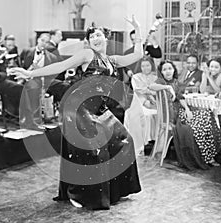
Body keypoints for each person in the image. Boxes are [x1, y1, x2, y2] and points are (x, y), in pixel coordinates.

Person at [9, 15, 142, 210]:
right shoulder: (87, 55)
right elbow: (60, 66)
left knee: (125, 141)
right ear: (88, 42)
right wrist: (30, 74)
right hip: (79, 107)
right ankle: (80, 195)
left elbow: (138, 54)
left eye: (98, 35)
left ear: (106, 37)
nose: (95, 39)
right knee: (96, 150)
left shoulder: (113, 60)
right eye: (91, 37)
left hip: (100, 109)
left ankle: (116, 191)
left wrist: (137, 29)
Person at [149, 60, 221, 169]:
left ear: (174, 70)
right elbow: (151, 86)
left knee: (206, 116)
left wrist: (187, 109)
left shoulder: (175, 82)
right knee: (195, 126)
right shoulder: (160, 81)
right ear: (161, 72)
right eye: (164, 69)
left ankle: (208, 156)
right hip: (171, 118)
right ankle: (203, 157)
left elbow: (180, 98)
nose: (168, 71)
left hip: (180, 112)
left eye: (170, 68)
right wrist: (167, 87)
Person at [19, 33, 68, 128]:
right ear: (38, 40)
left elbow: (53, 73)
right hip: (31, 79)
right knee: (34, 86)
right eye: (42, 41)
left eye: (46, 42)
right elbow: (20, 65)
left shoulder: (52, 57)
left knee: (64, 86)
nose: (43, 44)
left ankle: (64, 116)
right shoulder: (27, 51)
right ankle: (35, 121)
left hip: (46, 80)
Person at [131, 57, 157, 149]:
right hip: (140, 102)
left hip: (155, 103)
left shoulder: (156, 77)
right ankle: (145, 141)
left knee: (157, 114)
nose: (145, 68)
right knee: (146, 115)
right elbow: (137, 92)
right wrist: (145, 101)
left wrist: (153, 100)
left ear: (152, 66)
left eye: (148, 65)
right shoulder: (136, 77)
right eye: (143, 66)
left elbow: (158, 92)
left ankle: (155, 139)